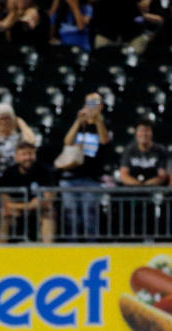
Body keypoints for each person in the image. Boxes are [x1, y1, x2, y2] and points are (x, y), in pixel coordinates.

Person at [57, 92, 110, 239]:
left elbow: (104, 141)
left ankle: (91, 245)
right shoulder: (79, 123)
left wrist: (98, 120)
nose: (91, 107)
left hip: (91, 178)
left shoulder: (104, 124)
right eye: (89, 103)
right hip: (71, 177)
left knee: (89, 215)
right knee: (70, 215)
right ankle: (72, 245)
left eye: (95, 103)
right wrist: (78, 122)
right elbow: (67, 142)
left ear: (101, 106)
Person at [0, 140, 55, 243]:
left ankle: (47, 252)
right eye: (24, 154)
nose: (28, 157)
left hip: (38, 211)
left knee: (48, 215)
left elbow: (48, 200)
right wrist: (28, 205)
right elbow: (5, 203)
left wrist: (37, 205)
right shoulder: (8, 173)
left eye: (31, 154)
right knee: (4, 216)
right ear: (16, 157)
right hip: (17, 211)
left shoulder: (44, 171)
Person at [0, 101, 36, 178]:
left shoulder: (17, 138)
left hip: (14, 179)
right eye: (1, 119)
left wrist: (21, 123)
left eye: (7, 118)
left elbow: (31, 142)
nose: (4, 122)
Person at [119, 117, 168, 186]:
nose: (144, 134)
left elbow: (162, 176)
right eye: (141, 130)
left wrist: (146, 186)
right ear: (136, 133)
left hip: (153, 189)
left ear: (152, 133)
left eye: (147, 130)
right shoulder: (129, 150)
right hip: (133, 189)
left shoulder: (160, 150)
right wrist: (139, 186)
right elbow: (123, 175)